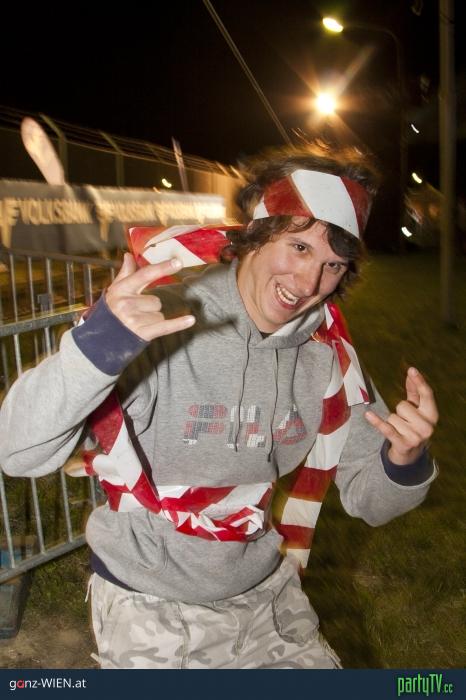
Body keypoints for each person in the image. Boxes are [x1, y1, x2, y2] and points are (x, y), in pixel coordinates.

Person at [0, 141, 439, 669]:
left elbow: (372, 501)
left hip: (266, 597)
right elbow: (18, 453)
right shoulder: (159, 321)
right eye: (299, 247)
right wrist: (97, 347)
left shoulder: (328, 356)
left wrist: (404, 461)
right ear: (257, 231)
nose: (308, 283)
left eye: (333, 265)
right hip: (148, 601)